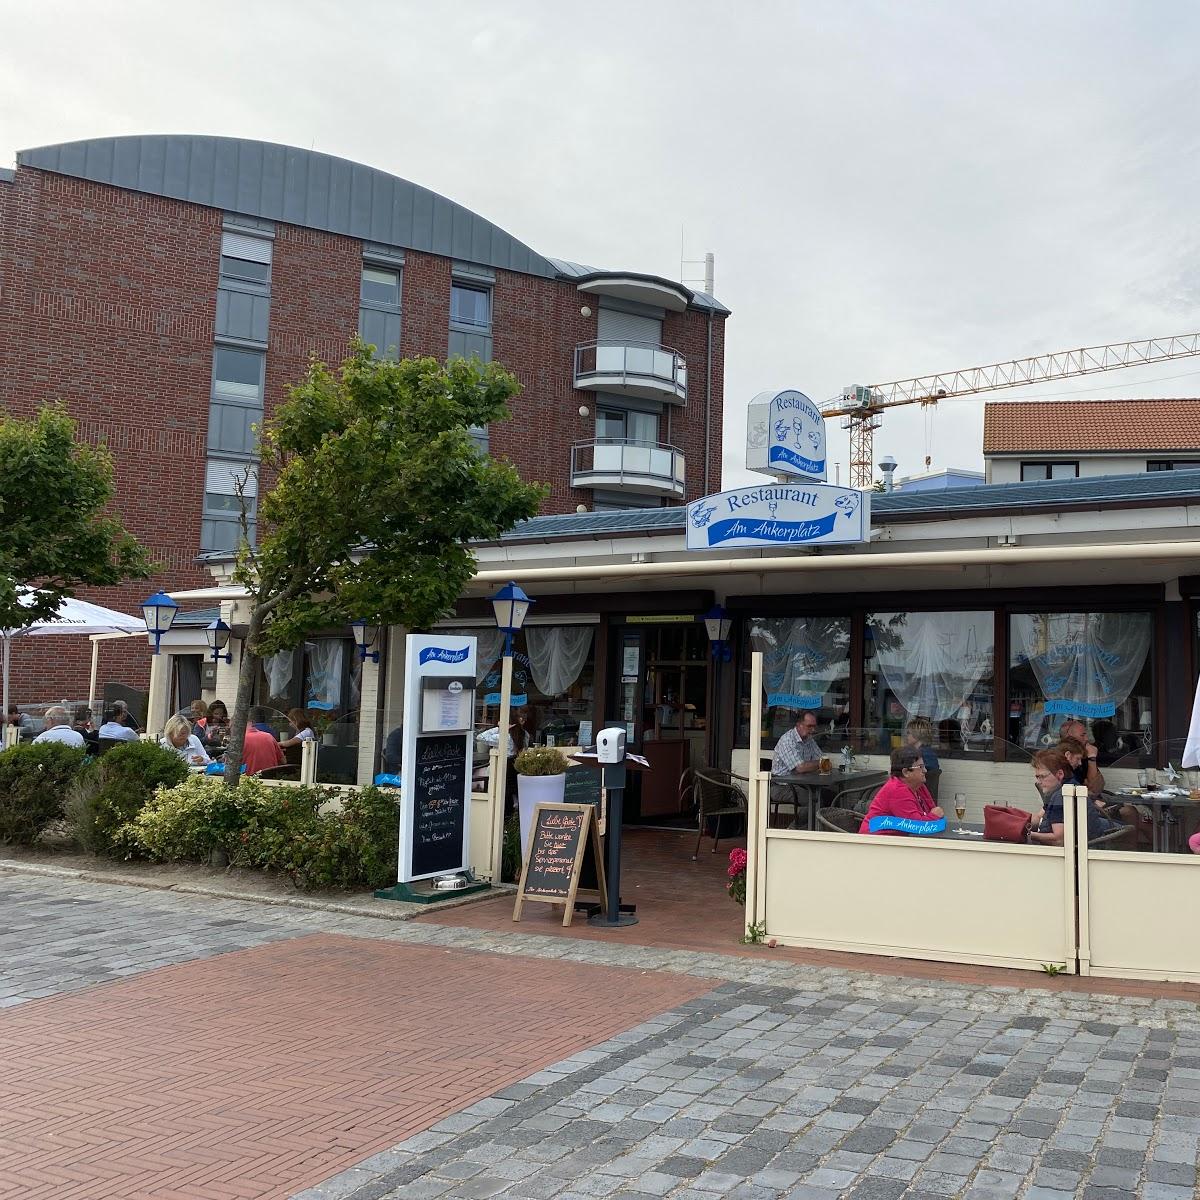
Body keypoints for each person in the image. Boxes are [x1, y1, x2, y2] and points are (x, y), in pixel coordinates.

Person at [1029, 748, 1125, 846]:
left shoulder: (1061, 796)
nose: (1039, 781)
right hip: (1089, 844)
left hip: (1072, 853)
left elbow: (1059, 840)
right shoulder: (1068, 789)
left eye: (1042, 776)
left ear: (1060, 774)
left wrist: (1029, 834)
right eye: (1037, 777)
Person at [859, 746, 944, 835]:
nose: (925, 770)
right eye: (920, 767)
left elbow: (933, 811)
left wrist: (934, 816)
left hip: (897, 840)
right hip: (876, 843)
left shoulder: (918, 786)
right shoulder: (898, 791)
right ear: (906, 772)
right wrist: (934, 816)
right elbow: (918, 827)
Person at [1059, 719, 1105, 793]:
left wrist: (1091, 758)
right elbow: (1092, 790)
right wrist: (1092, 758)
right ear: (1069, 737)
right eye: (1082, 735)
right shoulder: (1058, 760)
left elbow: (1098, 786)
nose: (1086, 739)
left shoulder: (1083, 756)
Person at [771, 710, 822, 776]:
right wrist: (820, 764)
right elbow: (800, 768)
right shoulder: (787, 740)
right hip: (783, 783)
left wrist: (819, 763)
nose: (813, 730)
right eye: (809, 726)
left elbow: (823, 759)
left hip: (800, 781)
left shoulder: (809, 739)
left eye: (814, 726)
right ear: (799, 725)